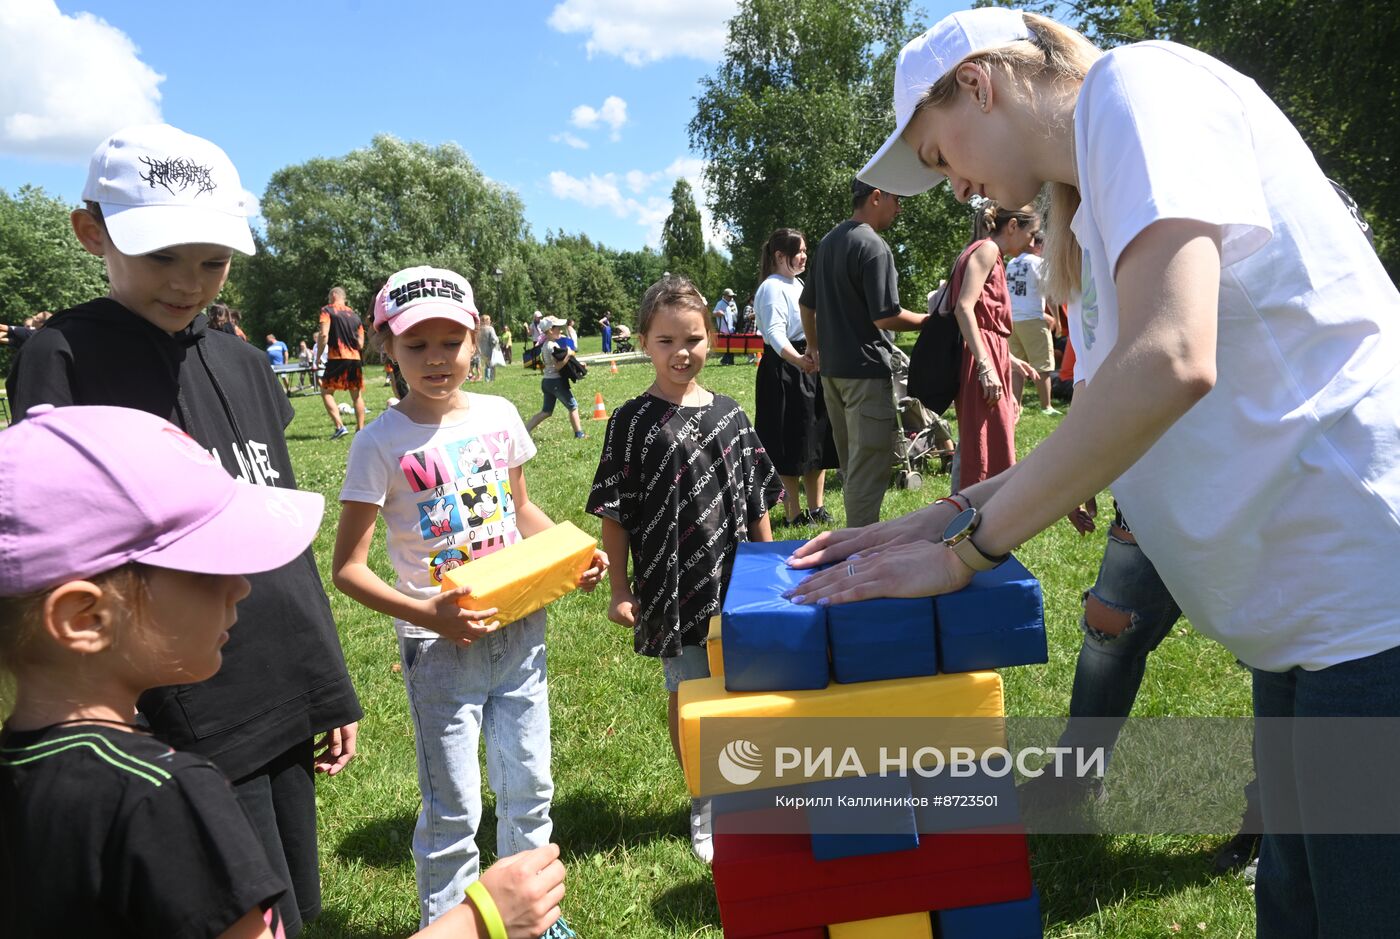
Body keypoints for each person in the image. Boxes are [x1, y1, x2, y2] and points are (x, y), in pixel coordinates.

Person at [787, 9, 1400, 935]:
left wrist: (969, 551)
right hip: (1304, 629)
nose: (954, 186)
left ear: (981, 86)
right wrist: (940, 514)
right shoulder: (1101, 198)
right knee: (1300, 907)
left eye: (939, 151)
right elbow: (1113, 418)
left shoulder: (1139, 86)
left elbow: (1173, 357)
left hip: (1366, 605)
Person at [0, 405, 574, 939]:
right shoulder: (166, 799)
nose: (243, 585)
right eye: (208, 567)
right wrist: (478, 922)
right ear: (84, 618)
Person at [4, 123, 362, 937]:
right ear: (93, 231)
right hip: (185, 701)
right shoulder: (61, 353)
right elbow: (68, 534)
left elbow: (279, 516)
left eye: (212, 260)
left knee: (289, 900)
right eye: (163, 256)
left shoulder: (242, 360)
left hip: (280, 677)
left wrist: (325, 677)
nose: (189, 282)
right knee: (218, 901)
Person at [333, 266, 604, 931]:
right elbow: (347, 568)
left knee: (530, 788)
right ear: (384, 347)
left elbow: (519, 508)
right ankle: (450, 923)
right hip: (440, 647)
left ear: (475, 338)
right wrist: (428, 614)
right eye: (416, 343)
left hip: (519, 629)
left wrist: (574, 549)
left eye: (450, 342)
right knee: (454, 807)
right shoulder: (378, 443)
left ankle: (533, 920)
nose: (436, 359)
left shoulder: (499, 415)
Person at [587, 274, 776, 863]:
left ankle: (751, 790)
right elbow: (615, 514)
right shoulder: (630, 421)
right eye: (666, 340)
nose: (681, 352)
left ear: (713, 338)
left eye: (692, 338)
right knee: (691, 693)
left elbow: (757, 503)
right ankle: (706, 798)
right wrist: (620, 587)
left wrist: (768, 580)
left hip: (737, 583)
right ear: (644, 341)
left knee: (747, 690)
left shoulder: (733, 416)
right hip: (672, 588)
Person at [797, 178, 929, 528]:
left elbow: (806, 305)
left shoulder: (828, 242)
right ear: (876, 197)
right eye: (896, 199)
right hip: (865, 373)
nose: (899, 208)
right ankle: (857, 552)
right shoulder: (874, 246)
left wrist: (813, 347)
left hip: (833, 375)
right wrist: (931, 321)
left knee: (853, 465)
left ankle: (853, 548)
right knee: (868, 468)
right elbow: (886, 315)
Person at [948, 201, 1040, 492]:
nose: (1031, 242)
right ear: (1013, 226)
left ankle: (980, 516)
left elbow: (982, 316)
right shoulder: (987, 250)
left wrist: (1009, 358)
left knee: (991, 439)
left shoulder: (990, 253)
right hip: (982, 358)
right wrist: (987, 366)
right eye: (1031, 233)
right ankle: (972, 518)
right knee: (983, 445)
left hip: (989, 351)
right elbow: (964, 308)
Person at [752, 227, 836, 526]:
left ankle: (816, 508)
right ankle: (793, 514)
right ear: (779, 255)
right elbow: (775, 334)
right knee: (788, 443)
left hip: (807, 363)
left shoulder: (797, 284)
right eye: (798, 251)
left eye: (804, 251)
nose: (804, 256)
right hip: (784, 369)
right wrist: (799, 360)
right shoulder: (772, 288)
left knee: (816, 439)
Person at [1006, 230, 1060, 415]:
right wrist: (1058, 321)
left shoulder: (1011, 263)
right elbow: (1051, 296)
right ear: (1039, 245)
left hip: (1012, 319)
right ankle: (1046, 406)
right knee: (1043, 364)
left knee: (1017, 366)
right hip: (1032, 318)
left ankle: (1015, 405)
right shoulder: (1040, 263)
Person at [524, 316, 586, 439]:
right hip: (556, 382)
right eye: (558, 328)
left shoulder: (546, 344)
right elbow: (558, 367)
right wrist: (568, 354)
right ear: (551, 330)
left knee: (546, 411)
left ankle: (525, 431)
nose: (561, 331)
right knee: (573, 406)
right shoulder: (552, 346)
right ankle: (579, 434)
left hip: (547, 382)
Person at [316, 287, 366, 439]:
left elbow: (324, 334)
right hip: (355, 358)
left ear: (334, 295)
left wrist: (318, 356)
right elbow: (361, 343)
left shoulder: (327, 310)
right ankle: (361, 429)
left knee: (326, 392)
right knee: (356, 396)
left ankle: (340, 427)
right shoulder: (354, 315)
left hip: (337, 357)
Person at [478, 313, 501, 382]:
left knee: (487, 365)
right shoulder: (490, 329)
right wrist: (498, 340)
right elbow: (494, 339)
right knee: (492, 365)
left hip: (482, 350)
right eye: (489, 320)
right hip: (490, 350)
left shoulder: (479, 330)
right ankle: (491, 378)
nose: (490, 321)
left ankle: (487, 378)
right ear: (486, 321)